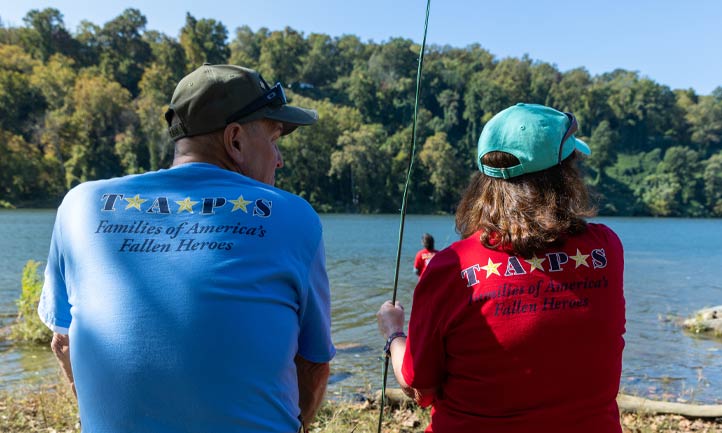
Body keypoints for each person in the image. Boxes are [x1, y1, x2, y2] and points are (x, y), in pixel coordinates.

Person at [38, 64, 335, 433]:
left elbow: (63, 341)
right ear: (236, 140)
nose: (279, 159)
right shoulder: (294, 217)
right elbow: (313, 366)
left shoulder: (80, 205)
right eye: (274, 140)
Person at [377, 103, 625, 433]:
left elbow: (417, 386)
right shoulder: (606, 250)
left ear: (485, 180)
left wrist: (394, 333)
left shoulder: (451, 266)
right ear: (565, 176)